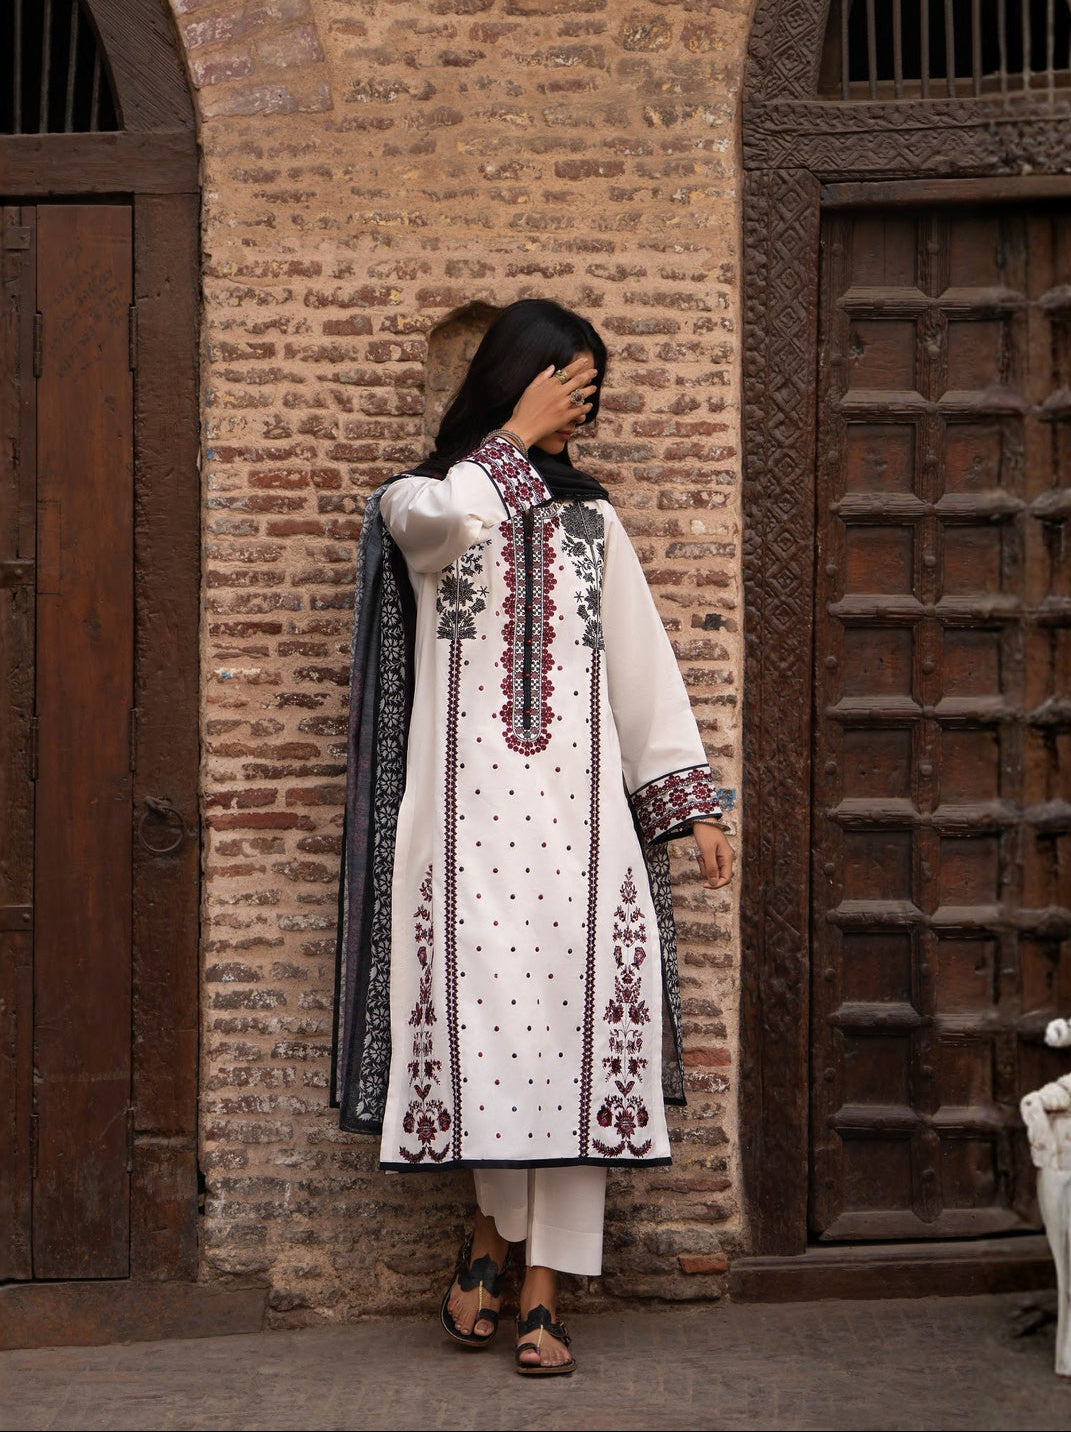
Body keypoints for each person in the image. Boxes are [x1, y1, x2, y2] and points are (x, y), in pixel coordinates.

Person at [332, 298, 734, 1376]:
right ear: (516, 381)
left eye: (588, 393)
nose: (578, 410)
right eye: (566, 386)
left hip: (582, 835)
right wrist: (507, 441)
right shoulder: (429, 501)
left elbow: (642, 671)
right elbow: (437, 525)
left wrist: (687, 804)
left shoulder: (595, 524)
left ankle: (546, 1288)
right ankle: (490, 1234)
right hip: (460, 838)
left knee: (575, 1034)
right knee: (487, 1041)